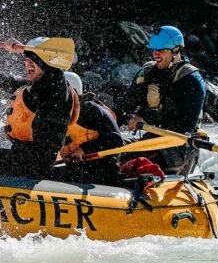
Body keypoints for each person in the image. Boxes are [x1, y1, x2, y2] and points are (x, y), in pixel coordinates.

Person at [0, 32, 79, 180]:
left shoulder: (56, 88)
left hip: (35, 165)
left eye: (34, 61)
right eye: (26, 60)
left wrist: (24, 49)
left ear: (47, 64)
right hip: (21, 158)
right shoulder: (32, 87)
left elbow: (54, 75)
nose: (27, 64)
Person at [114, 25, 206, 174]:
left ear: (176, 50)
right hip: (150, 140)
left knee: (126, 167)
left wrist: (145, 119)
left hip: (178, 147)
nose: (156, 55)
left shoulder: (190, 80)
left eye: (161, 51)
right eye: (154, 50)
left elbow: (184, 126)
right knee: (110, 154)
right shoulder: (147, 73)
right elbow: (123, 107)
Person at [57, 71, 125, 184]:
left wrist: (84, 149)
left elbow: (115, 141)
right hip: (77, 167)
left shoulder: (91, 110)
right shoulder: (60, 115)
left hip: (102, 169)